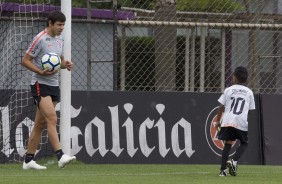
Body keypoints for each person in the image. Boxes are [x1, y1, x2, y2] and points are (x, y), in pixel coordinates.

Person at [21, 10, 76, 170]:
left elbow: (58, 61)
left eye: (63, 25)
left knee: (40, 124)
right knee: (52, 118)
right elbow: (25, 61)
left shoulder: (60, 40)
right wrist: (40, 71)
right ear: (50, 23)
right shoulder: (40, 39)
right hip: (40, 84)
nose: (61, 27)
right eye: (59, 24)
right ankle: (61, 155)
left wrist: (66, 64)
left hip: (54, 85)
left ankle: (28, 160)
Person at [215, 66, 255, 177]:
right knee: (244, 143)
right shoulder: (249, 92)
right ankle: (234, 160)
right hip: (241, 121)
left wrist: (218, 121)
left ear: (235, 78)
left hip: (227, 120)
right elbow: (250, 110)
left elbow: (221, 106)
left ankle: (223, 171)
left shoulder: (228, 90)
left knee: (228, 143)